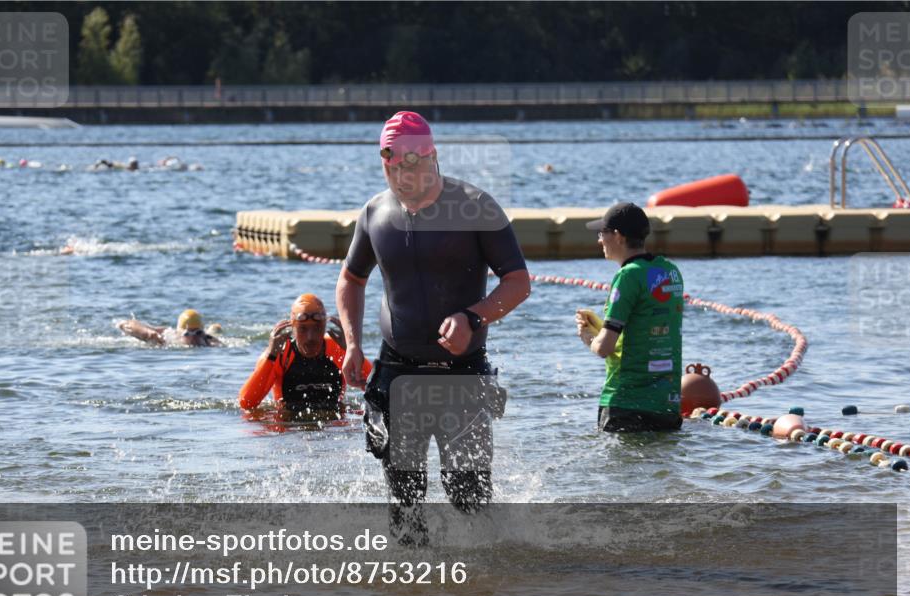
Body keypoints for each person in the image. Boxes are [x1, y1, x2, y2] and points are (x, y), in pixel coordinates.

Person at [335, 111, 531, 542]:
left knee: (470, 498)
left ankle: (484, 581)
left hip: (462, 373)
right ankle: (413, 581)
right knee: (404, 502)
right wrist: (352, 344)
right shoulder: (375, 213)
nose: (401, 179)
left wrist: (472, 317)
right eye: (391, 169)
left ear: (432, 157)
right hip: (397, 370)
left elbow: (518, 282)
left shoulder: (475, 206)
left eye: (411, 167)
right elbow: (351, 280)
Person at [577, 202, 684, 432]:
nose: (599, 240)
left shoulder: (628, 276)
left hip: (626, 404)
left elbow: (604, 348)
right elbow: (644, 326)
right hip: (667, 404)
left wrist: (589, 337)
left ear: (618, 236)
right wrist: (602, 328)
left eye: (602, 233)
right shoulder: (670, 271)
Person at [239, 294, 371, 416]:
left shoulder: (338, 349)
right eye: (303, 329)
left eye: (317, 328)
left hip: (333, 424)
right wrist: (270, 355)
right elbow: (246, 403)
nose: (310, 337)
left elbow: (377, 387)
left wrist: (350, 349)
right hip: (289, 424)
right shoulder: (279, 354)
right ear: (292, 327)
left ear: (325, 326)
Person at [117, 309, 221, 347]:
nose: (194, 338)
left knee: (216, 330)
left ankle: (213, 329)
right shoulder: (167, 336)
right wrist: (147, 333)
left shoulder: (209, 341)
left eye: (198, 333)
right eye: (187, 334)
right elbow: (127, 323)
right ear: (179, 333)